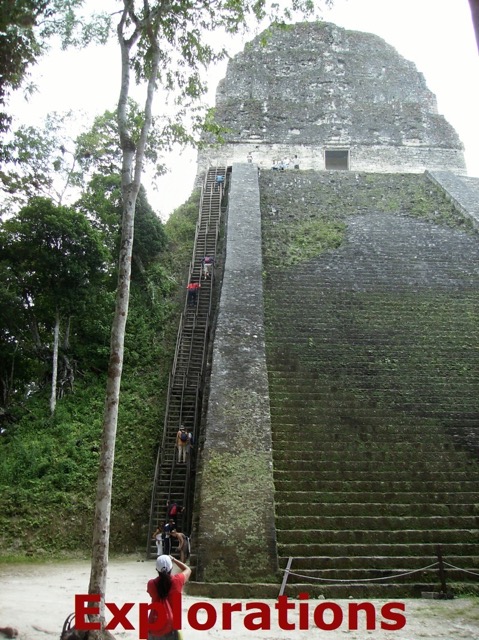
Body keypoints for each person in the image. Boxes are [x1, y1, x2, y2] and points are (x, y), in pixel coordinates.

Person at [147, 555, 191, 640]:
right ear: (171, 568)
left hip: (154, 624)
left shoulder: (151, 584)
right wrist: (174, 559)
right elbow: (188, 570)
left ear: (157, 569)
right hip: (172, 626)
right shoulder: (178, 580)